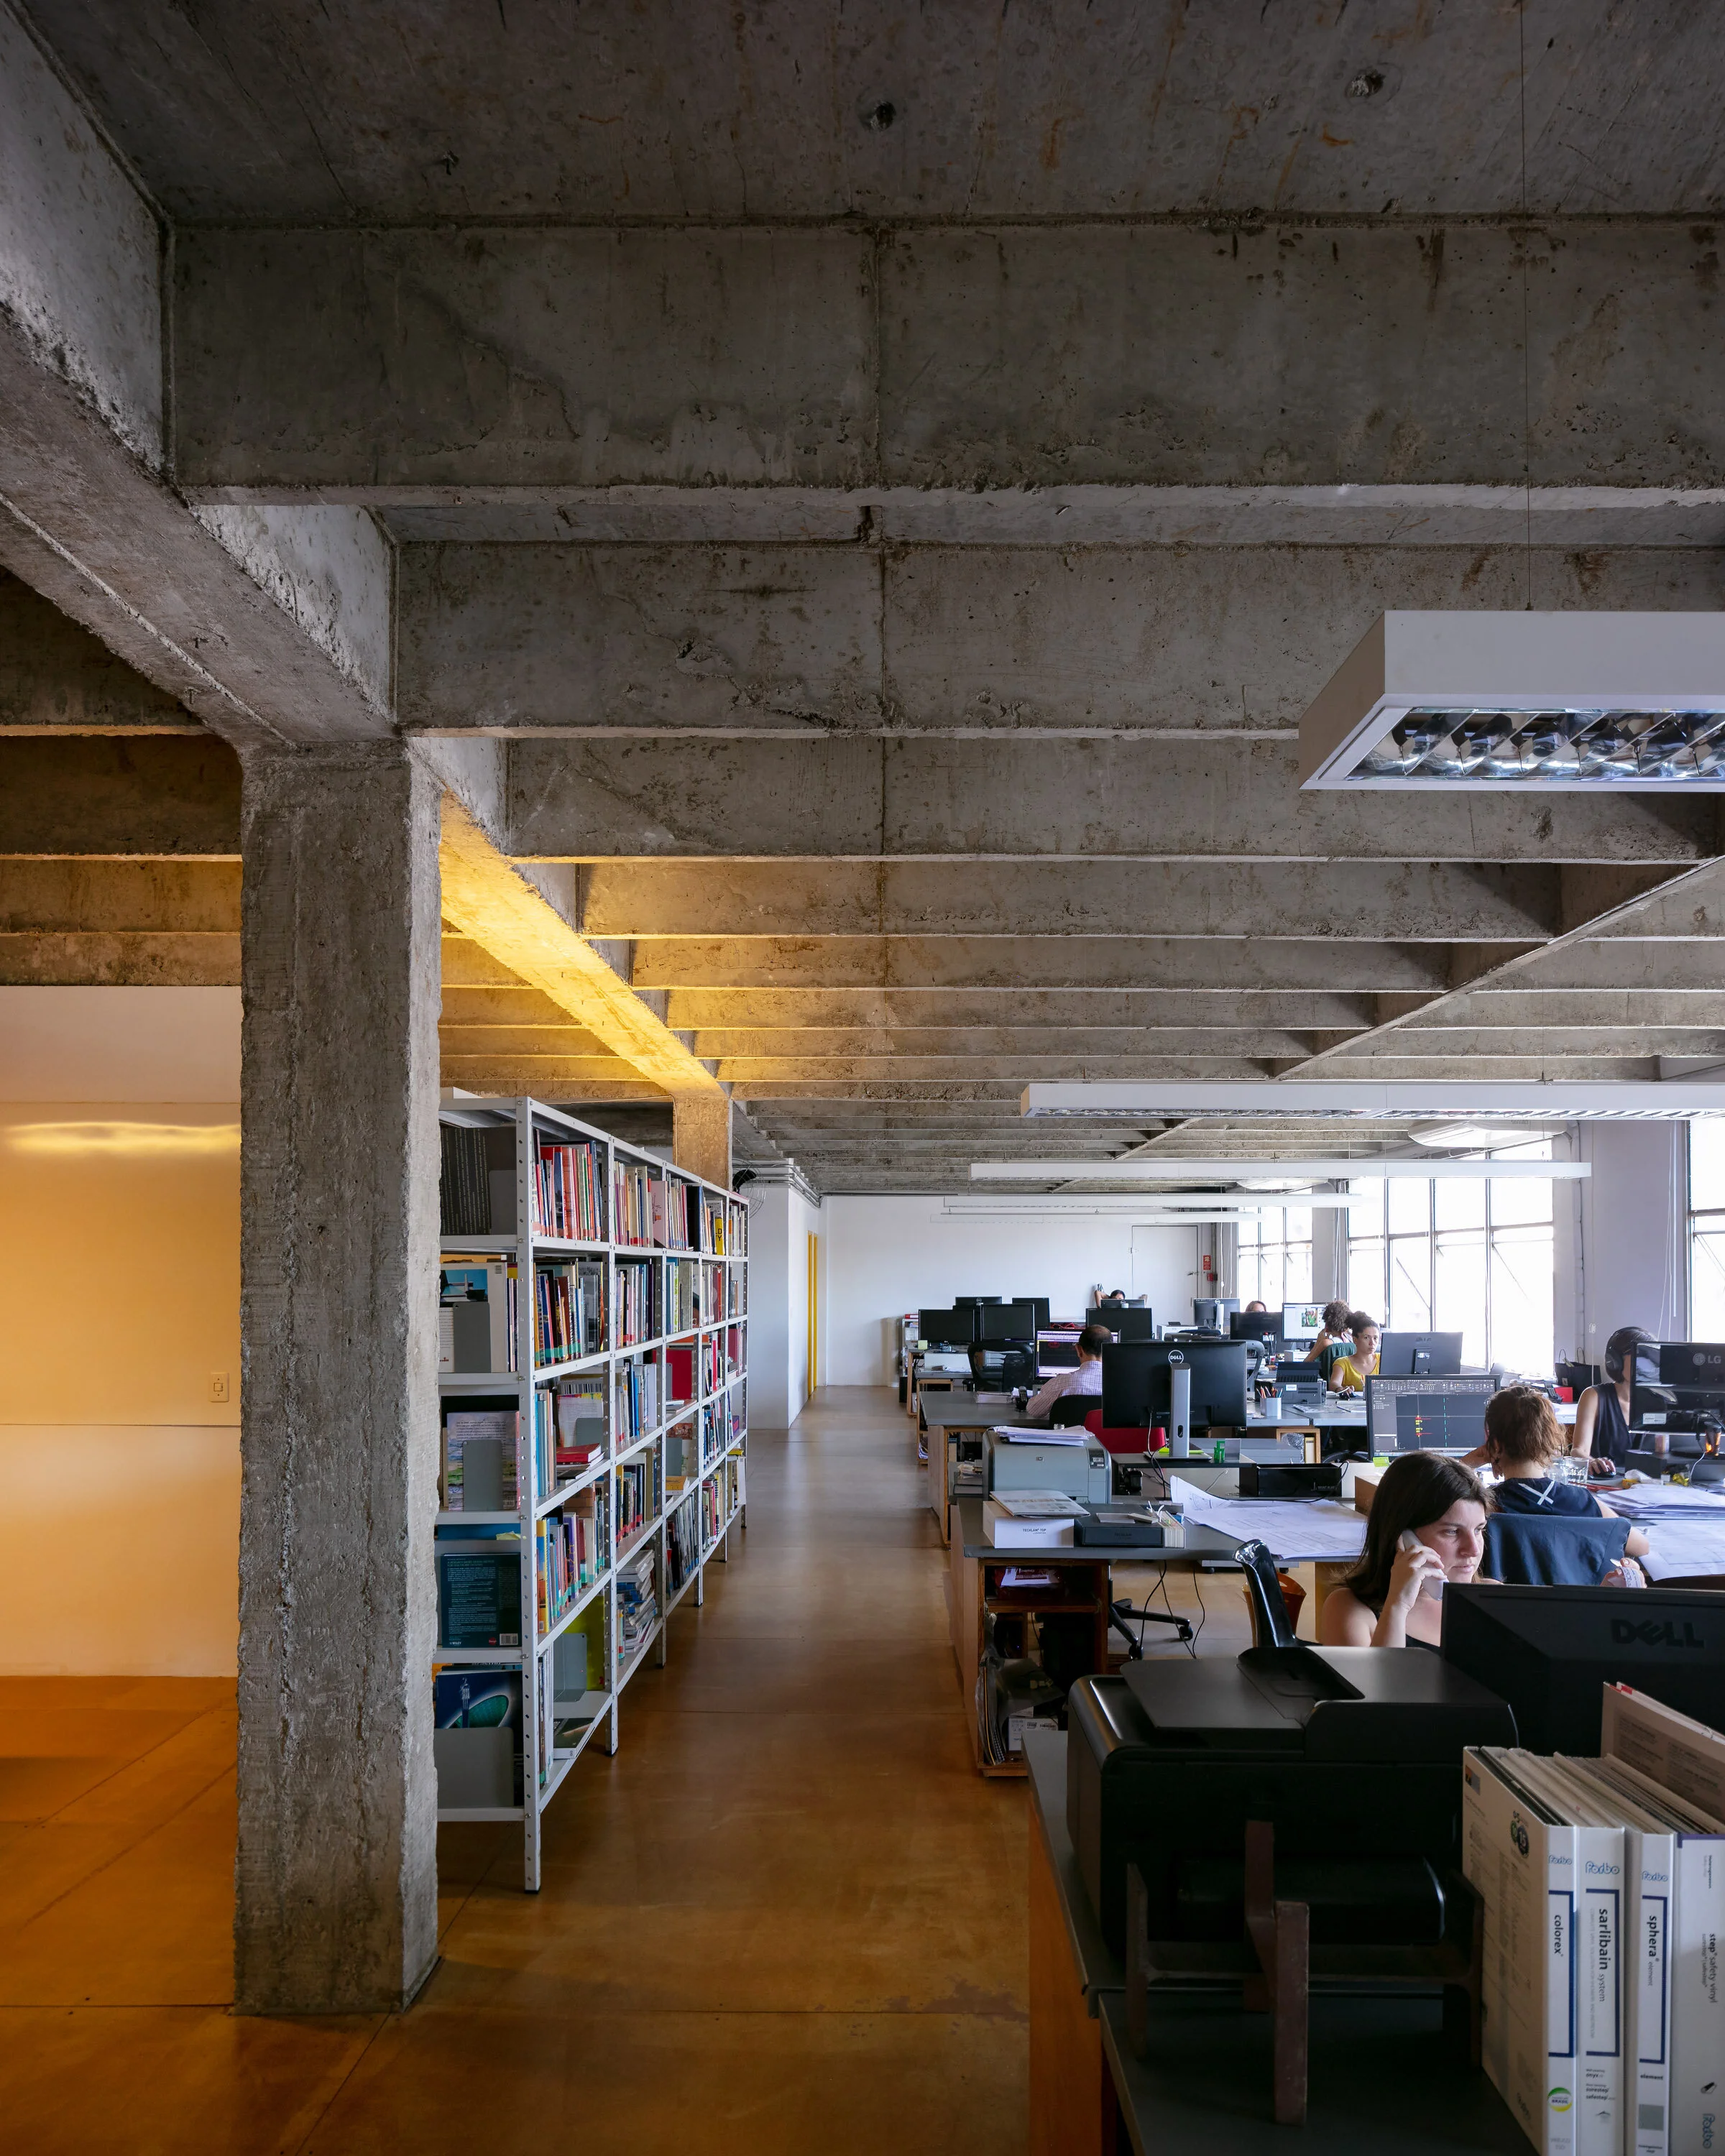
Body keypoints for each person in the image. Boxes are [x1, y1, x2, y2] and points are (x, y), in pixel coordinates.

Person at [1319, 1453, 1490, 1647]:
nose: (1473, 1550)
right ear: (1404, 1537)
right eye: (1452, 1532)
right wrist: (1398, 1606)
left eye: (1478, 1529)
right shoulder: (1348, 1609)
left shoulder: (1493, 1599)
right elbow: (1381, 1678)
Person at [1483, 1385, 1649, 1559]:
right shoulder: (1582, 1502)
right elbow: (1641, 1546)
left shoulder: (1485, 1506)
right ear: (1550, 1442)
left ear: (1495, 1445)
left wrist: (1476, 1459)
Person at [1572, 1325, 1653, 1475]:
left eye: (1649, 1358)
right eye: (1638, 1356)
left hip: (1648, 1487)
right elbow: (1578, 1450)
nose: (1645, 1365)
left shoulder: (1658, 1401)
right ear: (1615, 1361)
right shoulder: (1593, 1397)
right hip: (1606, 1486)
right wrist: (1591, 1461)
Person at [1025, 1322, 1110, 1420]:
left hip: (1068, 1434)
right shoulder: (1122, 1385)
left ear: (1079, 1349)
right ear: (1110, 1350)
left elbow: (1033, 1410)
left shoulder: (1060, 1383)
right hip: (1107, 1436)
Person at [1328, 1313, 1381, 1394]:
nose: (1372, 1343)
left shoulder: (1383, 1360)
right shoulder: (1342, 1363)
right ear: (1355, 1340)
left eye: (1375, 1338)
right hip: (1351, 1406)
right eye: (1366, 1337)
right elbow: (1334, 1384)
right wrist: (1341, 1389)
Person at [1303, 1299, 1354, 1381]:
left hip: (1330, 1389)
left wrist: (1318, 1343)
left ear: (1327, 1323)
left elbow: (1305, 1365)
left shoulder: (1326, 1343)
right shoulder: (1353, 1341)